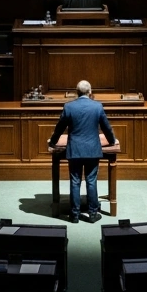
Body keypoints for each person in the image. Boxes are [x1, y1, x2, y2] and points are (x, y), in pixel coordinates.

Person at [48, 79, 116, 223]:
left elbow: (59, 127)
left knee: (75, 180)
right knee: (91, 180)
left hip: (75, 150)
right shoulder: (97, 107)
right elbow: (106, 127)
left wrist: (53, 141)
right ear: (90, 92)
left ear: (77, 92)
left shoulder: (69, 107)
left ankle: (74, 215)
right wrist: (112, 141)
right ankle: (92, 214)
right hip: (92, 149)